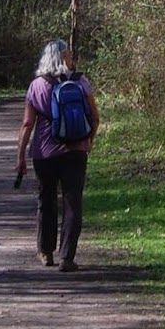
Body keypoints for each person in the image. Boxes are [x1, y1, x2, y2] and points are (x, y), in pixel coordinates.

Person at [16, 39, 100, 272]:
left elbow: (27, 123)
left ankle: (45, 251)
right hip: (76, 151)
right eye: (69, 55)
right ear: (63, 58)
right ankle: (67, 256)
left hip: (44, 152)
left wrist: (21, 155)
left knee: (47, 201)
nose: (72, 58)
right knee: (73, 202)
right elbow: (95, 116)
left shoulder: (37, 86)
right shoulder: (81, 82)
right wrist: (88, 140)